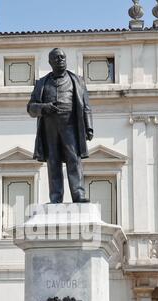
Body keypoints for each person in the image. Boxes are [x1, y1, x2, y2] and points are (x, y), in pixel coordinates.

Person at [27, 48, 94, 204]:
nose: (60, 60)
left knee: (74, 160)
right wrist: (44, 108)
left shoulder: (77, 80)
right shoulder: (41, 83)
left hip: (71, 125)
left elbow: (86, 106)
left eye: (62, 57)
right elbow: (30, 108)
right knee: (53, 162)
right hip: (49, 128)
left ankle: (79, 195)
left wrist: (89, 127)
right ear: (50, 62)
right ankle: (56, 197)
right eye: (56, 58)